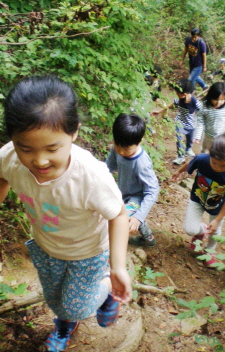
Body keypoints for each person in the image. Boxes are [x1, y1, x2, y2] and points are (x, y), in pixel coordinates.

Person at [0, 76, 132, 352]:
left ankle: (106, 290)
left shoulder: (90, 176)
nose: (39, 160)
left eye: (52, 148)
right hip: (45, 245)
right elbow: (2, 175)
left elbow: (118, 215)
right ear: (13, 139)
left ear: (74, 133)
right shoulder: (10, 157)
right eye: (26, 148)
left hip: (88, 252)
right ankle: (64, 324)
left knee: (76, 305)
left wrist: (117, 267)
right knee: (54, 298)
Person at [172, 131, 225, 269]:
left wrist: (218, 219)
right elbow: (190, 163)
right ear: (210, 153)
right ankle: (201, 232)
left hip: (217, 206)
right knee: (190, 229)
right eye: (215, 163)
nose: (217, 168)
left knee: (215, 232)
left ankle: (209, 252)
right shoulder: (203, 160)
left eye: (223, 166)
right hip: (197, 198)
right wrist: (179, 172)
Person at [106, 113, 159, 247]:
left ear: (139, 141)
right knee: (129, 216)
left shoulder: (141, 163)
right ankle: (149, 238)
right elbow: (108, 166)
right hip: (123, 192)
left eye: (126, 148)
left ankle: (113, 249)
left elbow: (152, 190)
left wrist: (138, 217)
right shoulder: (117, 148)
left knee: (122, 218)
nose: (121, 151)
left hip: (138, 197)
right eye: (117, 145)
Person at [151, 79, 202, 165]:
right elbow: (171, 106)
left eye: (178, 92)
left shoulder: (195, 102)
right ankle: (180, 156)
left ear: (184, 94)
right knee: (180, 140)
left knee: (189, 140)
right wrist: (160, 111)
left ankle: (188, 149)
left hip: (192, 125)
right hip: (180, 123)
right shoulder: (179, 100)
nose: (176, 94)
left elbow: (203, 112)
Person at [181, 27, 208, 91]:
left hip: (199, 65)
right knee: (195, 77)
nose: (194, 39)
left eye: (195, 37)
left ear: (198, 36)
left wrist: (204, 66)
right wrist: (182, 59)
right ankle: (204, 86)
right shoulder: (188, 40)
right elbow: (186, 50)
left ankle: (189, 93)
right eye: (193, 37)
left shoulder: (201, 43)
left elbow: (204, 55)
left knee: (190, 80)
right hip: (192, 63)